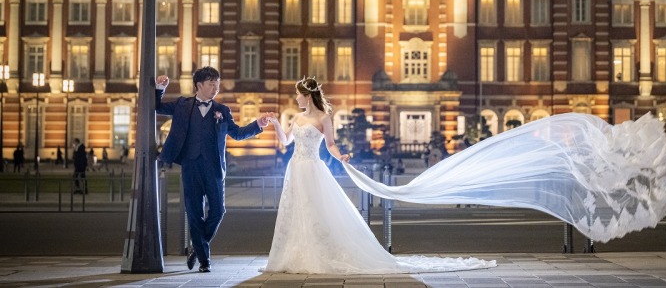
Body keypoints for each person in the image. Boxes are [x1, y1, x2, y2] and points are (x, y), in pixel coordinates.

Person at [262, 76, 494, 274]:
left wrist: (341, 156)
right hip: (296, 168)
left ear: (308, 96)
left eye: (299, 95)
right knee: (295, 211)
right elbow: (285, 140)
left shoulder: (324, 118)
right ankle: (295, 255)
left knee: (315, 210)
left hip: (313, 168)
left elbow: (331, 144)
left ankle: (316, 255)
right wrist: (274, 123)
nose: (296, 99)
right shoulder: (297, 118)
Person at [156, 66, 269, 274]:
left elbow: (237, 133)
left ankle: (197, 248)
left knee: (218, 211)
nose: (216, 88)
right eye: (211, 84)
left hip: (215, 168)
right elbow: (156, 106)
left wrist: (257, 125)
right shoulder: (182, 105)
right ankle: (204, 260)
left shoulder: (222, 111)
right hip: (190, 167)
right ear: (199, 85)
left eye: (217, 84)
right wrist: (160, 88)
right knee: (194, 213)